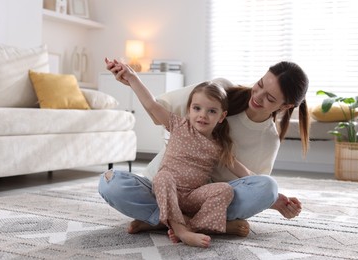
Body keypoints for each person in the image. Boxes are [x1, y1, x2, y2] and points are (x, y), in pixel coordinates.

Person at [99, 60, 309, 239]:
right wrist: (132, 79)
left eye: (270, 98)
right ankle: (194, 224)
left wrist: (276, 199)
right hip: (159, 188)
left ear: (285, 107)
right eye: (260, 84)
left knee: (268, 187)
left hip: (202, 199)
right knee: (110, 183)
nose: (258, 96)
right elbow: (156, 108)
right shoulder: (217, 91)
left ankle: (165, 221)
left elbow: (252, 184)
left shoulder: (262, 142)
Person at [104, 58, 253, 248]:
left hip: (192, 198)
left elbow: (244, 173)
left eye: (211, 111)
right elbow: (151, 104)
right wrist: (132, 77)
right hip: (165, 191)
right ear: (189, 110)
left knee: (225, 189)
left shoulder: (219, 146)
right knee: (163, 177)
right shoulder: (179, 125)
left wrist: (275, 195)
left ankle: (173, 224)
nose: (202, 115)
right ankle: (182, 231)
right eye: (197, 108)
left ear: (222, 116)